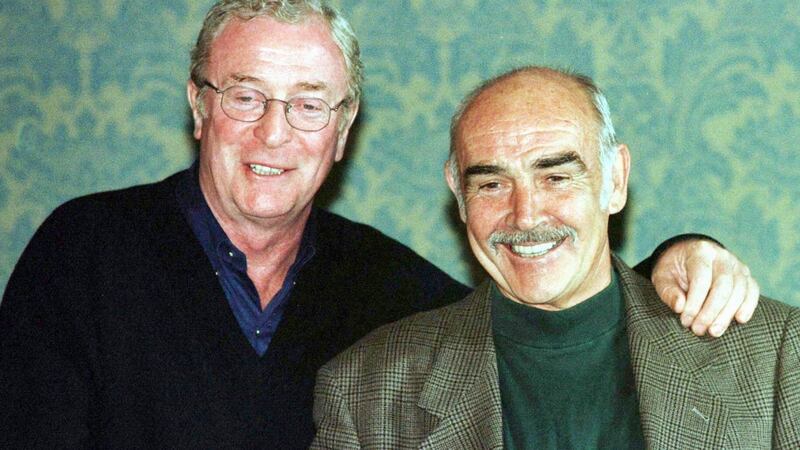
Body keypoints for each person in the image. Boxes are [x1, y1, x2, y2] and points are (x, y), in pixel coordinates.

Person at [0, 1, 758, 448]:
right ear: (199, 107)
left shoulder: (390, 285)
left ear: (343, 128)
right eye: (245, 96)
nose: (274, 132)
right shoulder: (83, 252)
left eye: (309, 103)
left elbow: (541, 293)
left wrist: (678, 260)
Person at [312, 67, 800, 449]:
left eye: (556, 177)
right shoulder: (366, 389)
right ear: (458, 194)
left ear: (615, 180)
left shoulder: (774, 356)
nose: (525, 215)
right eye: (492, 184)